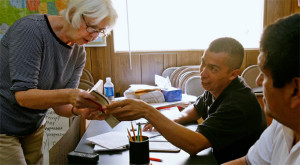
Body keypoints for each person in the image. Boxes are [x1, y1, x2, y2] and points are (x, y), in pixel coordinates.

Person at [105, 37, 268, 164]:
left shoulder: (238, 103)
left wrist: (148, 111)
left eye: (213, 69)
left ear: (233, 74)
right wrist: (173, 119)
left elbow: (194, 145)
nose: (203, 73)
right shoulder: (218, 87)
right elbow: (197, 107)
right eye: (203, 63)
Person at [0, 0, 117, 164]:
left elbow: (62, 107)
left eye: (101, 31)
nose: (94, 35)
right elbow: (23, 96)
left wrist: (79, 111)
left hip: (33, 126)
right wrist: (70, 95)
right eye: (92, 27)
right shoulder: (31, 30)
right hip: (3, 123)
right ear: (72, 14)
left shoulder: (78, 52)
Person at [223, 13, 300, 165]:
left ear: (295, 91)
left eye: (264, 75)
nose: (258, 81)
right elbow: (247, 163)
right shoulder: (284, 123)